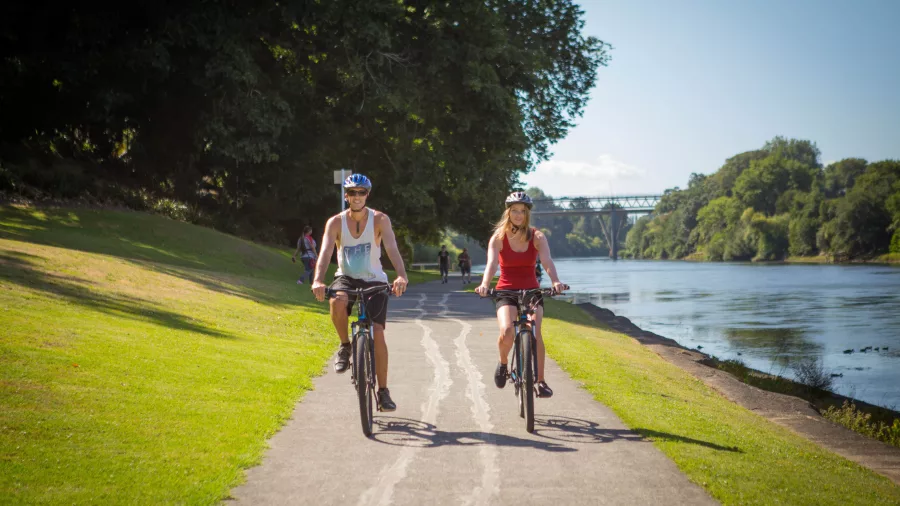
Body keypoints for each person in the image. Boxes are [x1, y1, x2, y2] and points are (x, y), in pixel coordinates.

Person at [311, 173, 409, 412]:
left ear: (368, 194)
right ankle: (346, 345)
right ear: (346, 196)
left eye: (361, 192)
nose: (357, 197)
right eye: (352, 192)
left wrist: (401, 275)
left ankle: (383, 392)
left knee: (378, 333)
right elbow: (324, 253)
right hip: (346, 277)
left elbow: (392, 249)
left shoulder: (380, 220)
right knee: (337, 301)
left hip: (374, 279)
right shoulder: (335, 222)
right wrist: (317, 280)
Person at [475, 191, 566, 399]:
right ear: (508, 213)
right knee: (507, 331)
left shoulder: (537, 236)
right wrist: (484, 284)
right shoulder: (498, 238)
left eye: (522, 211)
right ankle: (504, 363)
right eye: (514, 211)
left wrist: (555, 281)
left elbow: (547, 261)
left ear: (527, 214)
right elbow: (492, 263)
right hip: (506, 290)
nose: (518, 215)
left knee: (535, 332)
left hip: (532, 291)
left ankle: (540, 381)